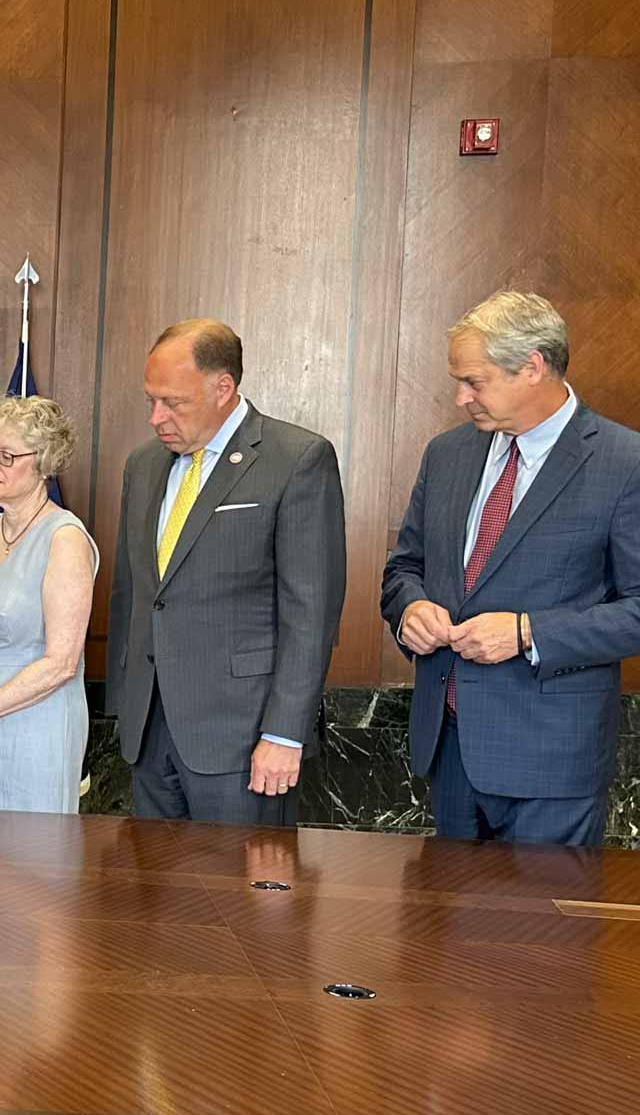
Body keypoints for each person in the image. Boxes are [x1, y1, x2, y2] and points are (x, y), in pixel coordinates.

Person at [382, 291, 640, 847]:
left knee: (535, 936)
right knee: (440, 933)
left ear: (532, 367)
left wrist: (527, 633)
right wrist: (411, 609)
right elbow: (404, 568)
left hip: (551, 768)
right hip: (448, 753)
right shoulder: (447, 454)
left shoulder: (624, 463)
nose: (459, 398)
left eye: (474, 381)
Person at [107, 319, 345, 826]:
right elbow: (134, 594)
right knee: (150, 899)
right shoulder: (144, 464)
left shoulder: (296, 459)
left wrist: (284, 734)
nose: (156, 417)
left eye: (173, 402)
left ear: (223, 388)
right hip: (150, 735)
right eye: (150, 400)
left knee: (237, 902)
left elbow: (311, 614)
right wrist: (124, 714)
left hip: (244, 742)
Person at [0, 397, 97, 813]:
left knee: (28, 867)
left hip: (34, 724)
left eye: (7, 456)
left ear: (44, 464)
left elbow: (62, 663)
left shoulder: (65, 538)